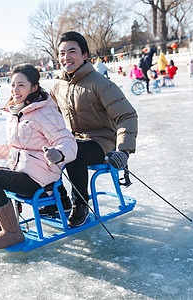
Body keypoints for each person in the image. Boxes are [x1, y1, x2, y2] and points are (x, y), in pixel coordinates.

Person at [0, 64, 77, 249]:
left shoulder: (45, 112)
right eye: (13, 85)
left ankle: (13, 232)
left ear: (34, 87)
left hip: (41, 180)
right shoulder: (15, 113)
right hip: (21, 171)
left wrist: (59, 153)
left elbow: (68, 141)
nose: (15, 90)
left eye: (21, 85)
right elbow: (14, 148)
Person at [49, 31, 138, 228]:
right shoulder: (57, 85)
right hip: (73, 139)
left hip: (102, 141)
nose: (66, 57)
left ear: (84, 55)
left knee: (73, 153)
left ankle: (80, 204)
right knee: (46, 151)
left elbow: (127, 116)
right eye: (62, 53)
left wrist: (123, 150)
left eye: (72, 52)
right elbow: (48, 115)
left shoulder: (100, 83)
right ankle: (57, 199)